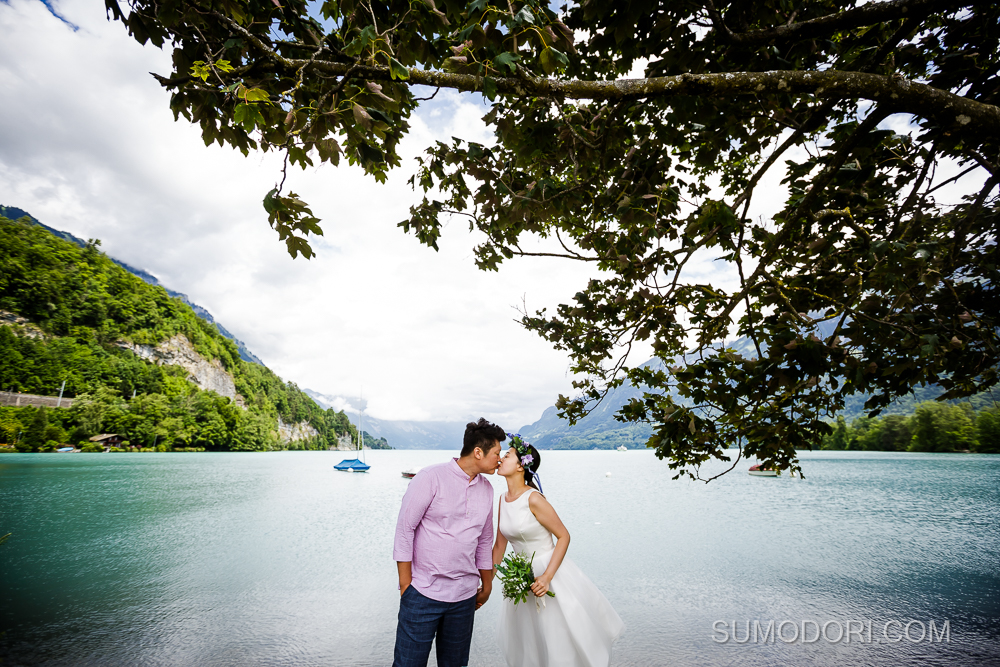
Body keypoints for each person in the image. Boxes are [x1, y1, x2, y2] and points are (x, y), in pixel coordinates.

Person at [492, 434, 624, 667]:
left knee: (558, 640)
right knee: (530, 645)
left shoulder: (534, 499)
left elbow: (564, 536)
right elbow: (499, 547)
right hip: (523, 580)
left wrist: (547, 577)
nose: (501, 458)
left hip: (549, 573)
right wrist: (486, 584)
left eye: (507, 455)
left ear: (521, 466)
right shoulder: (503, 499)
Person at [392, 418, 505, 667]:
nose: (500, 459)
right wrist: (406, 586)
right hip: (422, 593)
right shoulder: (430, 477)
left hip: (464, 597)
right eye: (497, 453)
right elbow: (405, 529)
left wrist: (487, 585)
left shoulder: (487, 489)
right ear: (478, 452)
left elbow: (485, 540)